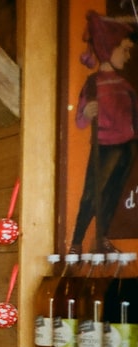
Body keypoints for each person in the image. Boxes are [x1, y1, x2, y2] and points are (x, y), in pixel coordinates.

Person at [67, 11, 138, 255]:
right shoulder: (92, 83)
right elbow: (79, 121)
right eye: (124, 50)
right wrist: (86, 113)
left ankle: (102, 238)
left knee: (113, 194)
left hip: (128, 146)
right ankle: (76, 242)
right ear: (109, 48)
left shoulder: (126, 84)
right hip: (105, 147)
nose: (127, 56)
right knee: (92, 194)